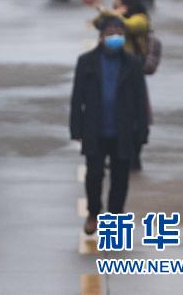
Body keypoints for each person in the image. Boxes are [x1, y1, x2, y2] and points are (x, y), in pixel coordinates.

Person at [70, 16, 148, 235]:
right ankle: (94, 212)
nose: (115, 37)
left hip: (123, 129)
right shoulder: (87, 62)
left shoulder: (131, 63)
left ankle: (115, 214)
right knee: (94, 174)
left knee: (121, 175)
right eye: (111, 33)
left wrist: (142, 130)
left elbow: (141, 99)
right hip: (95, 128)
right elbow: (77, 98)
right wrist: (76, 128)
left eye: (119, 34)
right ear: (101, 36)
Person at [91, 0, 151, 170]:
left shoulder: (140, 19)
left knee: (136, 112)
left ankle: (135, 153)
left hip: (131, 73)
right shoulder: (114, 16)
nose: (115, 1)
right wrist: (105, 11)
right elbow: (97, 23)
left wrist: (107, 11)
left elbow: (126, 25)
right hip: (112, 70)